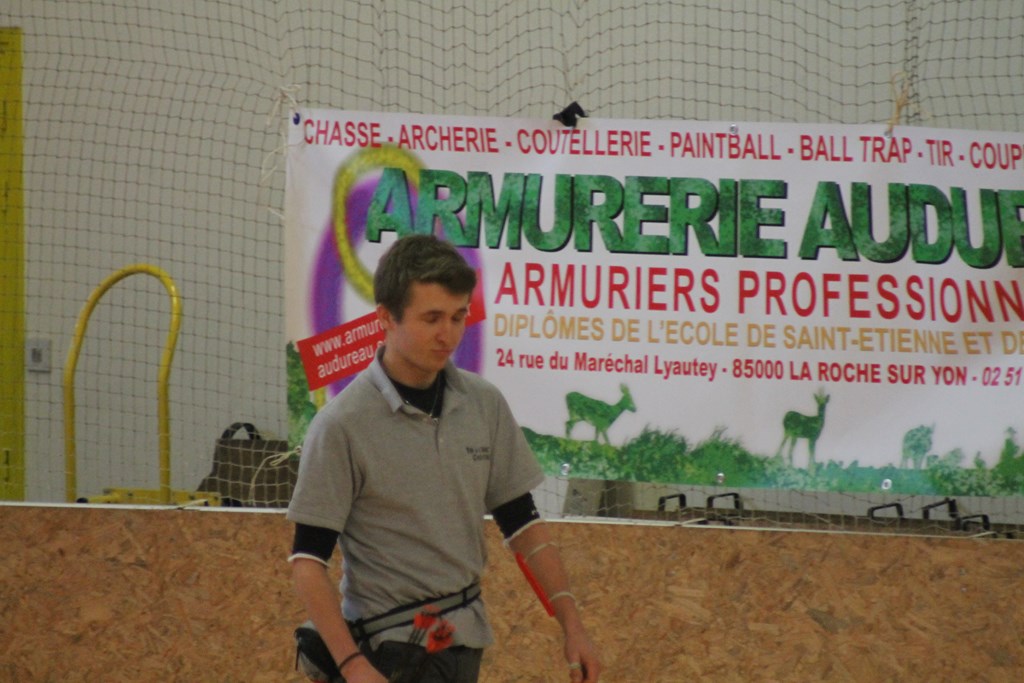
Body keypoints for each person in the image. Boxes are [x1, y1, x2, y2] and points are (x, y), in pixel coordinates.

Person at [287, 234, 601, 683]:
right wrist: (352, 665)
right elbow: (307, 562)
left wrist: (573, 625)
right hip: (385, 653)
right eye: (431, 318)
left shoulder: (484, 404)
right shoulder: (341, 425)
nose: (448, 334)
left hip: (463, 644)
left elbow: (524, 526)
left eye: (458, 317)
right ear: (385, 318)